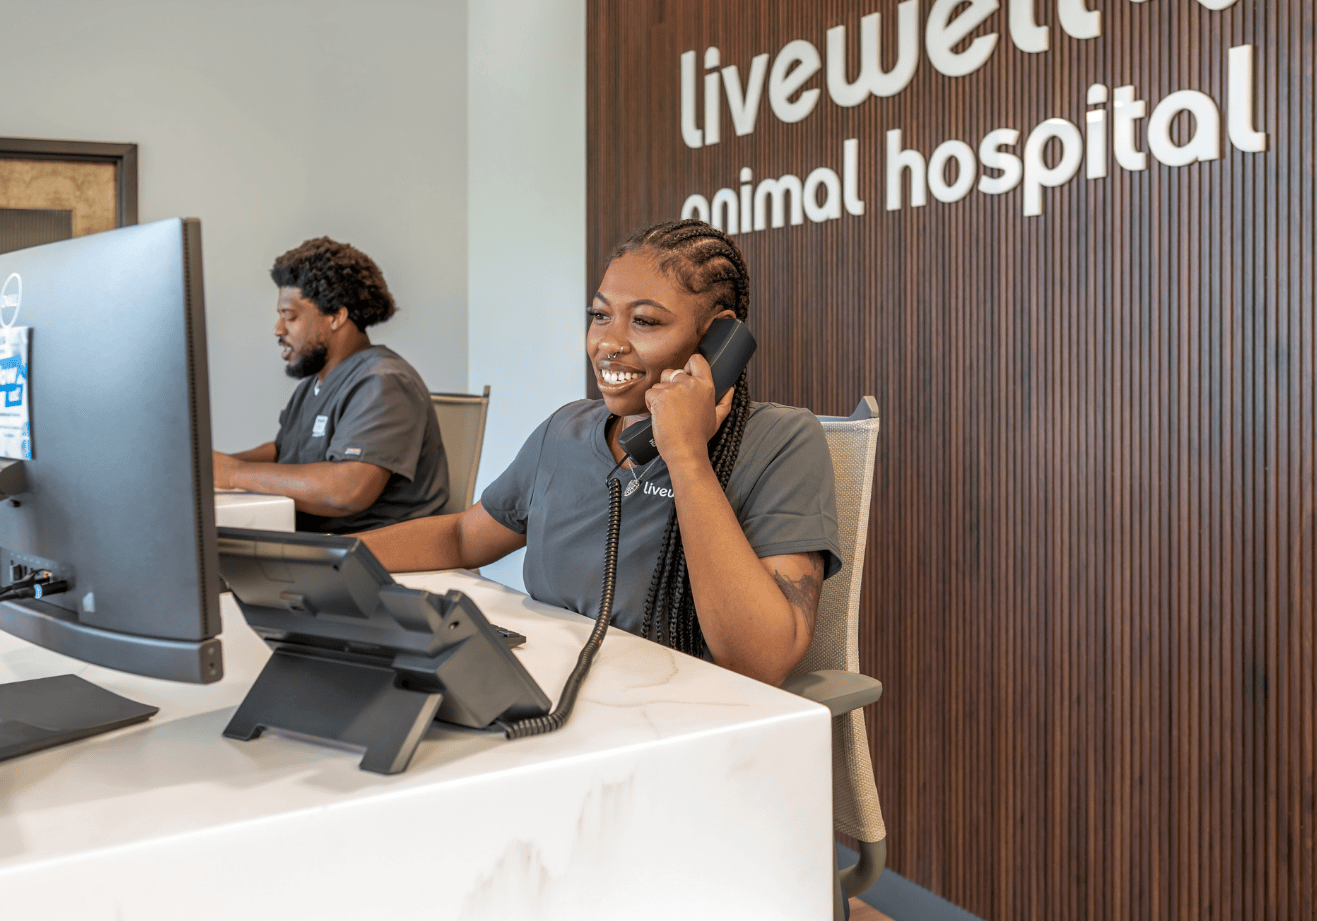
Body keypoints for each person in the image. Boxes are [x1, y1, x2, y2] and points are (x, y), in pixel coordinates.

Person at [359, 220, 839, 686]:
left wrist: (686, 456)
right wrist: (338, 558)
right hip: (550, 692)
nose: (608, 343)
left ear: (717, 338)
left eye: (645, 321)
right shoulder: (566, 429)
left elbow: (760, 662)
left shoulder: (782, 441)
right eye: (600, 315)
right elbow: (463, 538)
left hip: (678, 727)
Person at [213, 237, 449, 534]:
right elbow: (285, 451)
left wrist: (234, 474)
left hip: (376, 557)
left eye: (290, 316)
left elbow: (348, 491)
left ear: (336, 315)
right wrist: (213, 466)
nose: (278, 329)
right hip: (320, 548)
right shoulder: (315, 384)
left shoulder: (383, 382)